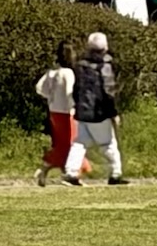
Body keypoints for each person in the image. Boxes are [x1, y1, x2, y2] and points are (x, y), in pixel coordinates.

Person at [63, 31, 128, 186]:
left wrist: (77, 106)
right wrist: (113, 113)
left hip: (82, 112)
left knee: (80, 143)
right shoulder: (105, 67)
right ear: (105, 48)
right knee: (108, 143)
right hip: (99, 113)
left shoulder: (80, 65)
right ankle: (115, 173)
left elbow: (76, 89)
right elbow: (108, 92)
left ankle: (71, 172)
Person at [34, 39, 78, 187]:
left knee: (62, 143)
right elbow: (69, 93)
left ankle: (68, 173)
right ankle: (48, 168)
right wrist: (75, 107)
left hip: (54, 111)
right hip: (66, 112)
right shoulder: (68, 73)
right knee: (69, 144)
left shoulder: (52, 73)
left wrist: (51, 98)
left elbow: (40, 88)